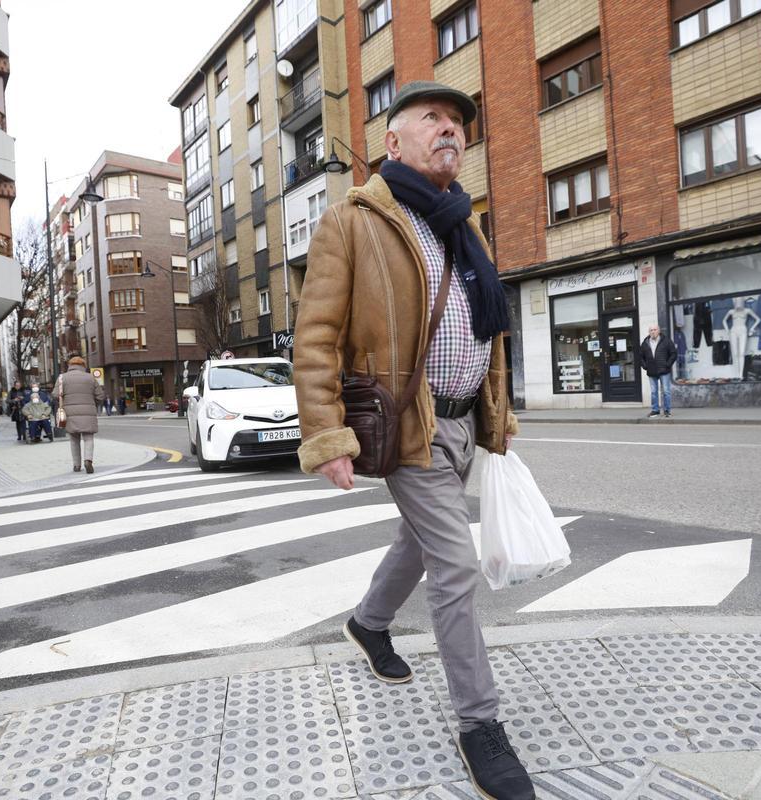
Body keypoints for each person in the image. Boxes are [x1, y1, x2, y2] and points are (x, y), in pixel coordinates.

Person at [293, 81, 533, 800]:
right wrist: (326, 432)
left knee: (421, 541)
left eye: (459, 122)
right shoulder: (353, 221)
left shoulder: (465, 223)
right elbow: (316, 337)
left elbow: (488, 330)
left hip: (462, 421)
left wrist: (499, 414)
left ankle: (368, 625)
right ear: (392, 143)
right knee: (454, 565)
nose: (451, 130)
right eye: (433, 118)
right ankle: (480, 726)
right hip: (407, 422)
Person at [54, 356, 105, 473]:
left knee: (74, 439)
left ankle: (76, 465)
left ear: (70, 366)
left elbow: (55, 395)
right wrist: (92, 403)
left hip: (70, 413)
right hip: (88, 412)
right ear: (83, 365)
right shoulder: (90, 378)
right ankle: (88, 460)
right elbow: (100, 396)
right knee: (88, 438)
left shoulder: (62, 378)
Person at [638, 323, 678, 418]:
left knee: (666, 391)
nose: (653, 332)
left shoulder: (666, 341)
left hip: (664, 370)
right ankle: (655, 410)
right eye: (651, 330)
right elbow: (640, 356)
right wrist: (645, 366)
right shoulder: (645, 343)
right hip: (651, 371)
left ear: (659, 330)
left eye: (655, 329)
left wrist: (668, 364)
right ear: (649, 332)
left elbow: (673, 354)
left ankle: (667, 411)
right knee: (653, 392)